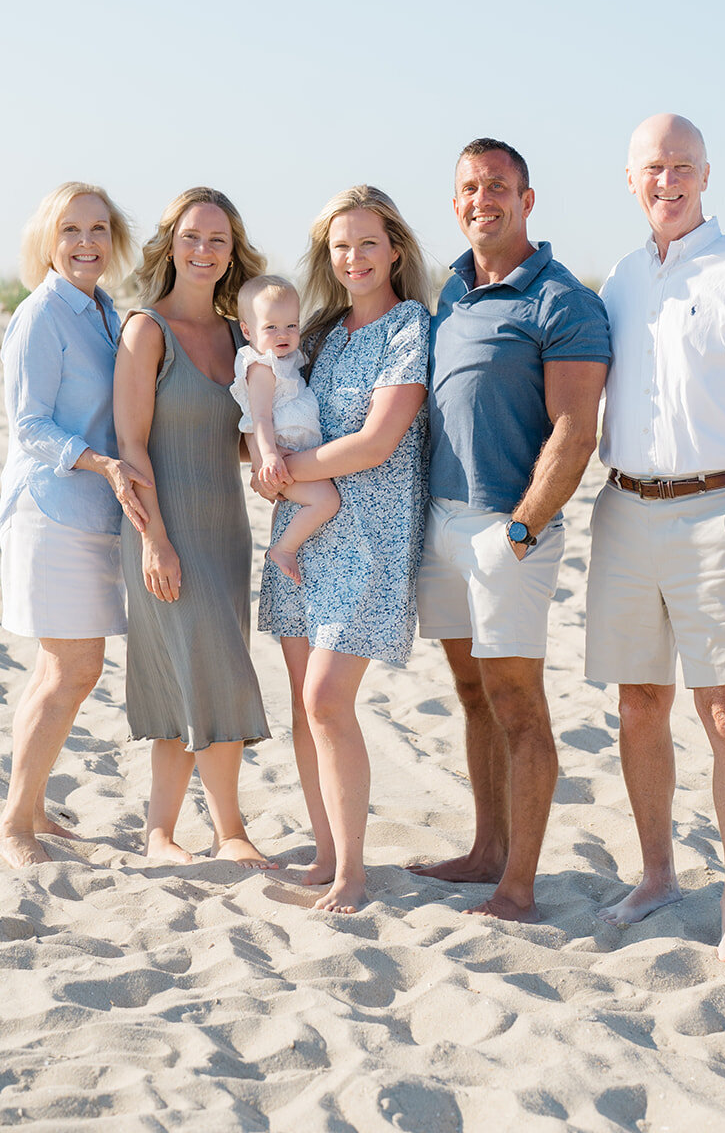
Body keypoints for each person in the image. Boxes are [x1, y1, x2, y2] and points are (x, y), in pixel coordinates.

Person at [586, 113, 725, 968]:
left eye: (682, 165)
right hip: (624, 510)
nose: (667, 180)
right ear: (630, 179)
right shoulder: (615, 278)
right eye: (652, 166)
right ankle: (655, 876)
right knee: (638, 704)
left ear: (706, 174)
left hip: (721, 512)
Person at [409, 138, 611, 922]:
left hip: (509, 533)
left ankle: (518, 886)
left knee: (517, 701)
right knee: (470, 692)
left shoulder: (563, 301)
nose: (480, 199)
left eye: (497, 186)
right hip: (443, 527)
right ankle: (484, 851)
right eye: (468, 187)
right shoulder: (450, 296)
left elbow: (573, 432)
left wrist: (521, 531)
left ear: (527, 200)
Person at [257, 185, 430, 914]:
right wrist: (264, 455)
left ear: (393, 247)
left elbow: (377, 442)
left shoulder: (409, 327)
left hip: (372, 538)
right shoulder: (320, 333)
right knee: (305, 706)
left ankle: (353, 872)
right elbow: (271, 406)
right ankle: (327, 850)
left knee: (328, 699)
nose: (353, 258)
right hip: (304, 536)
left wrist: (282, 472)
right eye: (339, 246)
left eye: (366, 243)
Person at [0, 182, 151, 869]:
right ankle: (12, 825)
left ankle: (32, 809)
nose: (85, 243)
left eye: (97, 229)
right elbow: (28, 426)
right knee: (72, 667)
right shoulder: (39, 315)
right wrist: (102, 464)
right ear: (47, 241)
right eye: (70, 230)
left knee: (64, 670)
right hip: (51, 510)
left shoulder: (104, 310)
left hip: (94, 511)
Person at [114, 187, 273, 867]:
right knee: (214, 672)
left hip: (226, 533)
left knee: (189, 675)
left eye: (217, 240)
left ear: (232, 251)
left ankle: (159, 833)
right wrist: (154, 540)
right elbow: (131, 445)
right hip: (163, 531)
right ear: (170, 245)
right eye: (192, 237)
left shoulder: (240, 337)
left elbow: (236, 435)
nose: (204, 250)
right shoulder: (144, 330)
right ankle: (229, 831)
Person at [230, 274, 340, 584]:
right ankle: (284, 549)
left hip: (290, 452)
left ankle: (281, 542)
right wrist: (269, 457)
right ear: (247, 330)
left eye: (291, 325)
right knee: (327, 500)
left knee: (287, 505)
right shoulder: (263, 367)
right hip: (279, 457)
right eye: (271, 327)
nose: (283, 334)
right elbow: (260, 418)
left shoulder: (287, 359)